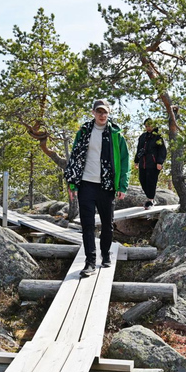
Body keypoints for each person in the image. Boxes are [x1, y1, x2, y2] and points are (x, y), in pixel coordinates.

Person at [64, 99, 130, 276]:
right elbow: (75, 157)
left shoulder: (116, 135)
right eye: (99, 112)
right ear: (93, 113)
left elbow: (125, 161)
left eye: (105, 112)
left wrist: (122, 185)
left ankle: (105, 254)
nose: (102, 115)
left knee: (107, 224)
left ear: (108, 114)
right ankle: (90, 262)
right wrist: (72, 182)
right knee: (87, 225)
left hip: (106, 186)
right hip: (86, 184)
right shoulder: (84, 132)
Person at [134, 117, 167, 209]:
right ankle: (150, 198)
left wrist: (160, 162)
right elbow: (139, 149)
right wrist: (136, 160)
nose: (148, 128)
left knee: (151, 182)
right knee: (142, 180)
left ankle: (150, 200)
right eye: (146, 126)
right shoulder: (142, 137)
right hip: (143, 163)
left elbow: (162, 150)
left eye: (150, 126)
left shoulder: (158, 136)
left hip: (153, 163)